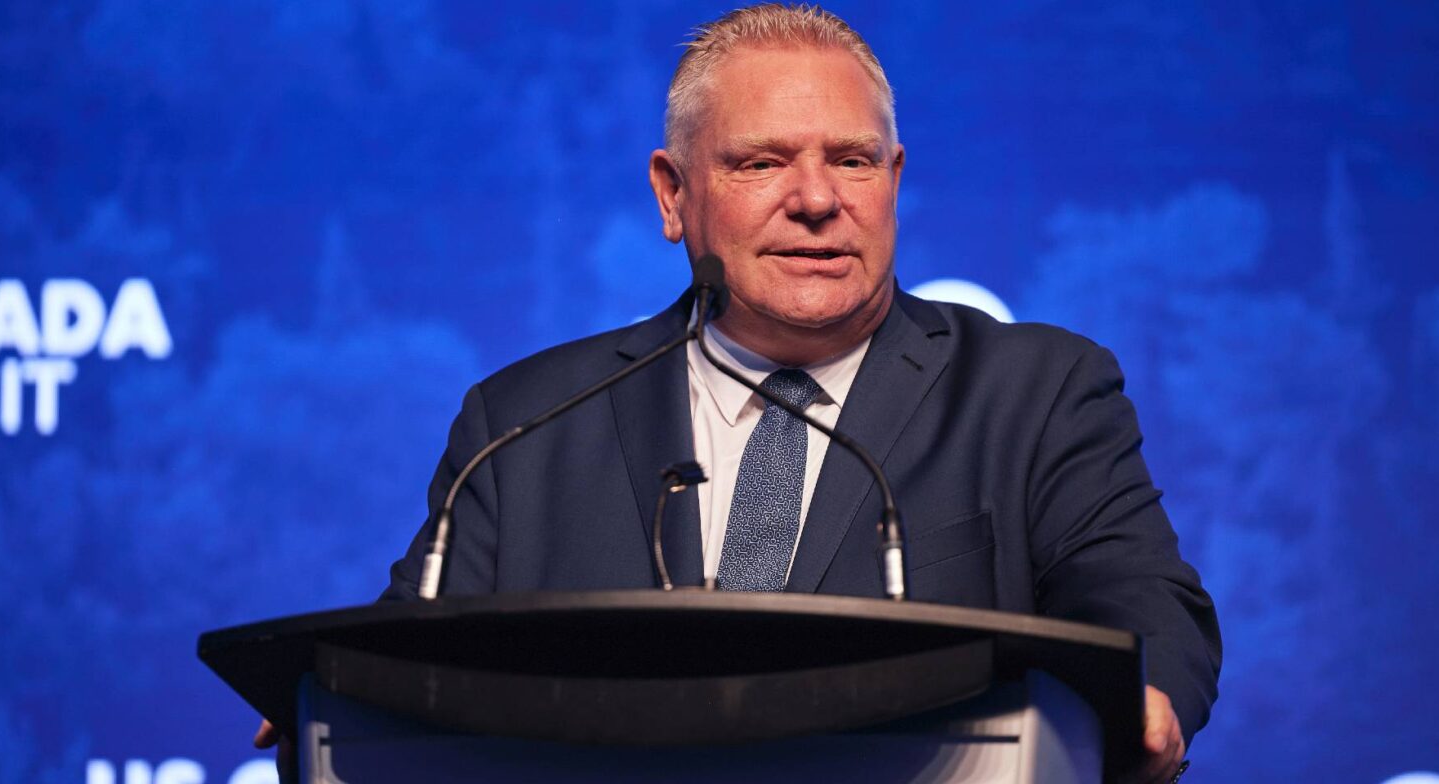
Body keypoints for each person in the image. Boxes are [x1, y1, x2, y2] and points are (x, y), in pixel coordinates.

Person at [258, 5, 1221, 781]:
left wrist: (1146, 694)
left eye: (851, 159)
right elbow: (415, 650)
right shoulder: (523, 425)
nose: (815, 198)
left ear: (895, 179)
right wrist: (341, 703)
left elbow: (1138, 593)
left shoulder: (1032, 391)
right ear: (673, 195)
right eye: (762, 162)